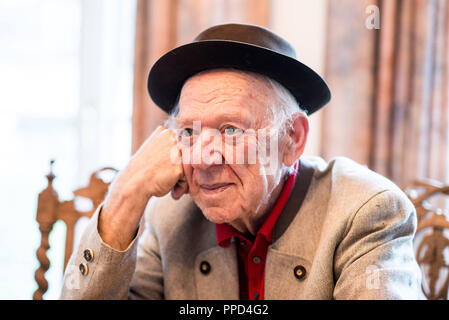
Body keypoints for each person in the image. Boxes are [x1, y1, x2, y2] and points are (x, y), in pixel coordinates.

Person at [60, 23, 422, 300]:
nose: (203, 158)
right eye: (188, 131)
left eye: (231, 130)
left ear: (292, 139)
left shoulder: (366, 211)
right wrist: (127, 192)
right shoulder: (168, 215)